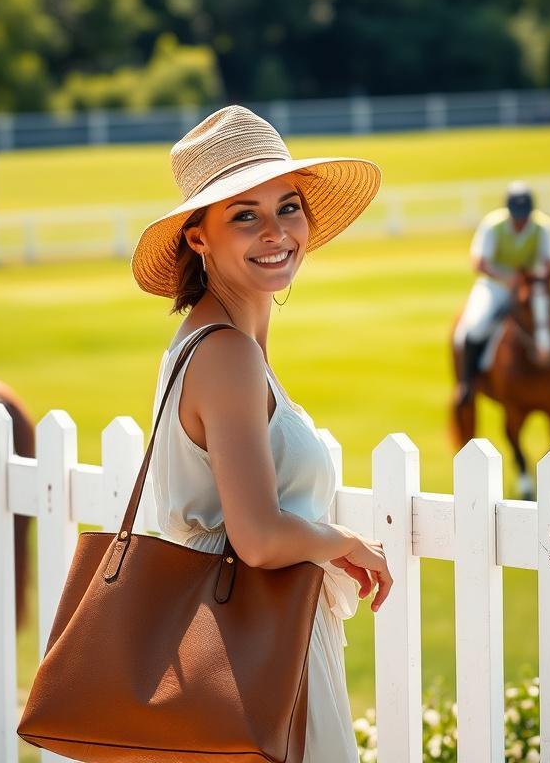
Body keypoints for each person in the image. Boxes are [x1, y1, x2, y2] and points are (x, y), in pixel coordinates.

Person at [131, 105, 391, 762]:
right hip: (254, 654)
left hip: (251, 644)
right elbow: (258, 537)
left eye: (288, 207)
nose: (276, 232)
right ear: (198, 238)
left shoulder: (215, 343)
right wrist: (347, 543)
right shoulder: (226, 353)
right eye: (244, 215)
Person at [453, 181, 550, 405]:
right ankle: (467, 382)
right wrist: (509, 278)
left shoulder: (543, 227)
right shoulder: (493, 225)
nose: (521, 221)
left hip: (530, 285)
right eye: (517, 216)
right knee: (475, 326)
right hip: (495, 286)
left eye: (524, 216)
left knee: (549, 321)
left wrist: (537, 279)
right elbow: (479, 264)